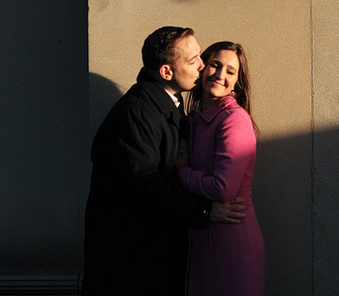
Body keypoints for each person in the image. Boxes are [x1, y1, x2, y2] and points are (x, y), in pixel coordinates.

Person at [82, 27, 246, 296]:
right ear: (167, 72)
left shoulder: (167, 104)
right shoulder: (138, 112)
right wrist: (204, 211)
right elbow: (146, 183)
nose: (203, 66)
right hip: (131, 263)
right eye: (193, 61)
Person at [177, 41, 265, 296]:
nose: (220, 75)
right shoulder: (193, 119)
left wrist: (181, 172)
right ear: (202, 68)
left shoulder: (234, 119)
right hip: (203, 237)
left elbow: (223, 188)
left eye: (230, 71)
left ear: (237, 82)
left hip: (231, 240)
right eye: (215, 65)